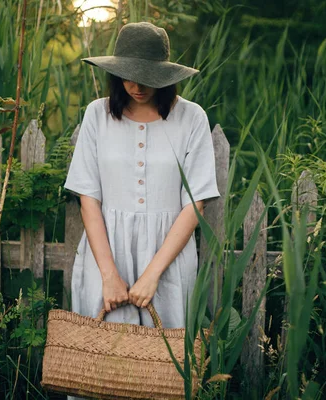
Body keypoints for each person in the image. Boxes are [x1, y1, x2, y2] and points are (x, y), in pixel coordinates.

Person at [64, 21, 219, 349]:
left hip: (169, 259)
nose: (137, 85)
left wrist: (152, 275)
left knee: (165, 365)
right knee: (100, 360)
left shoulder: (192, 119)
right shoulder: (97, 115)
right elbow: (88, 198)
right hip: (105, 255)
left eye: (148, 76)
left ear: (165, 75)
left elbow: (195, 204)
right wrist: (109, 275)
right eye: (129, 74)